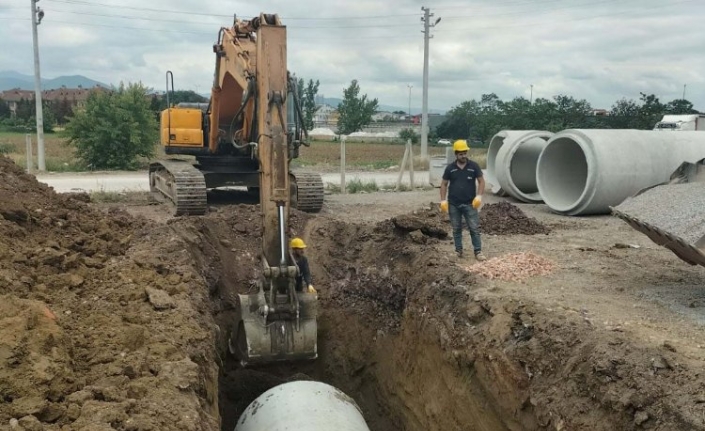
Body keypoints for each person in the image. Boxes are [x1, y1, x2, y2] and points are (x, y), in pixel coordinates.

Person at [439, 139, 487, 261]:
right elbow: (444, 184)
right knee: (456, 228)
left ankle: (478, 251)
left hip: (470, 203)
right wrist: (443, 200)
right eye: (461, 153)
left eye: (465, 153)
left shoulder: (473, 166)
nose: (463, 155)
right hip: (454, 204)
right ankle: (458, 251)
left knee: (474, 228)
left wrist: (479, 196)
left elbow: (481, 181)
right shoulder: (450, 168)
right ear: (456, 154)